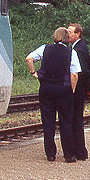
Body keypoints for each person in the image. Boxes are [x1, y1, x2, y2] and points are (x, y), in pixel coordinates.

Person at [25, 27, 81, 162]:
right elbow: (74, 74)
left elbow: (29, 59)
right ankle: (68, 155)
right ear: (66, 38)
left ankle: (50, 153)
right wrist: (71, 90)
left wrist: (34, 73)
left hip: (46, 89)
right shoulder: (71, 52)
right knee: (66, 122)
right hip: (63, 89)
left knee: (48, 121)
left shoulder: (45, 48)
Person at [67, 23, 90, 161]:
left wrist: (86, 86)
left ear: (77, 34)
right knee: (76, 119)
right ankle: (79, 151)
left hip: (77, 88)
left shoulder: (78, 49)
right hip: (80, 87)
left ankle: (79, 151)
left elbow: (83, 70)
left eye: (70, 32)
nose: (68, 34)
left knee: (76, 119)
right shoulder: (79, 46)